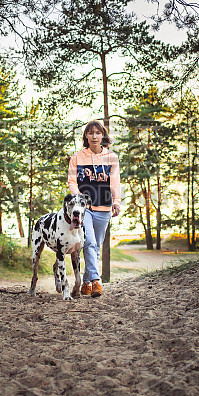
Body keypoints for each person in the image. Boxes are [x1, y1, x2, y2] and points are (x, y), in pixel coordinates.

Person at [68, 120, 122, 298]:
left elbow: (114, 182)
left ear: (102, 135)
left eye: (97, 133)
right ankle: (96, 281)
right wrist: (78, 201)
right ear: (86, 136)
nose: (94, 136)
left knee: (96, 246)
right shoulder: (77, 158)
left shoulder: (112, 157)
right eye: (90, 133)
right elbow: (72, 181)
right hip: (86, 210)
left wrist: (116, 201)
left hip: (104, 207)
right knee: (89, 243)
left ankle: (86, 282)